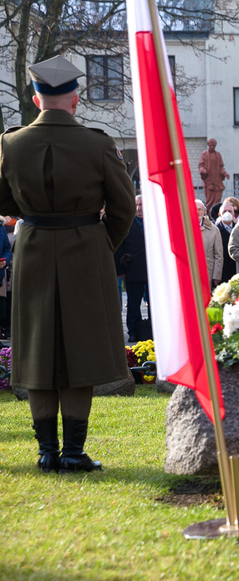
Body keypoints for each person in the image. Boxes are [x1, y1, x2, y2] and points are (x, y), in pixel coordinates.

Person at [0, 55, 135, 472]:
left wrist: (29, 217)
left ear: (36, 98)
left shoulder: (10, 143)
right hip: (85, 249)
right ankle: (73, 452)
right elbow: (124, 206)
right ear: (74, 99)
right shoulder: (97, 143)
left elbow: (4, 202)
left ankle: (46, 451)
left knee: (38, 348)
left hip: (34, 248)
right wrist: (100, 244)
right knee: (82, 348)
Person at [115, 195, 150, 342]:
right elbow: (119, 247)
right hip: (132, 268)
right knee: (134, 303)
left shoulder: (153, 222)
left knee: (153, 304)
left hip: (151, 271)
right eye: (136, 205)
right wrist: (121, 270)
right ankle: (133, 331)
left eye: (141, 204)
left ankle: (152, 329)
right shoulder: (127, 224)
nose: (139, 208)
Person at [195, 200, 223, 288]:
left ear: (204, 212)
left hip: (207, 274)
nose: (197, 212)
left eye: (199, 209)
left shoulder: (214, 230)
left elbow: (218, 255)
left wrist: (216, 276)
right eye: (194, 209)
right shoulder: (183, 228)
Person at [198, 138, 229, 208]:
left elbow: (221, 167)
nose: (212, 147)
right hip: (209, 181)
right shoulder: (204, 154)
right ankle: (208, 214)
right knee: (209, 201)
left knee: (217, 201)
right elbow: (200, 166)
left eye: (213, 146)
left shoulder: (218, 155)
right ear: (208, 145)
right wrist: (203, 171)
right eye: (211, 145)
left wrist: (225, 173)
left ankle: (215, 214)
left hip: (217, 181)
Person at [215, 198, 239, 282]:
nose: (227, 213)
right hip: (222, 271)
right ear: (219, 215)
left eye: (229, 211)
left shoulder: (238, 229)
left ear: (233, 214)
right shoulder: (216, 230)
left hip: (236, 269)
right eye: (224, 212)